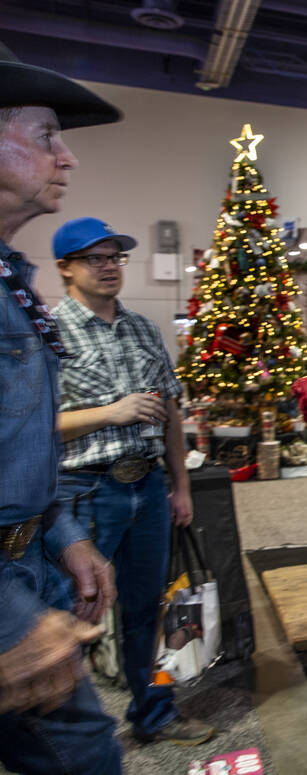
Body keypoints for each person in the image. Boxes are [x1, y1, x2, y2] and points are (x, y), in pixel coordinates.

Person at [0, 42, 124, 774]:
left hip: (30, 562)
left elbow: (18, 443)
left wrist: (64, 534)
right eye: (46, 135)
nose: (66, 157)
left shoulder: (13, 278)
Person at [51, 217, 215, 745]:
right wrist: (109, 412)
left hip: (146, 488)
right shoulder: (47, 333)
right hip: (84, 492)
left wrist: (180, 486)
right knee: (77, 613)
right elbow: (35, 425)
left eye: (115, 257)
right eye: (94, 258)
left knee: (148, 610)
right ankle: (69, 733)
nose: (108, 267)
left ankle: (155, 715)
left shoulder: (143, 327)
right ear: (65, 269)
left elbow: (169, 410)